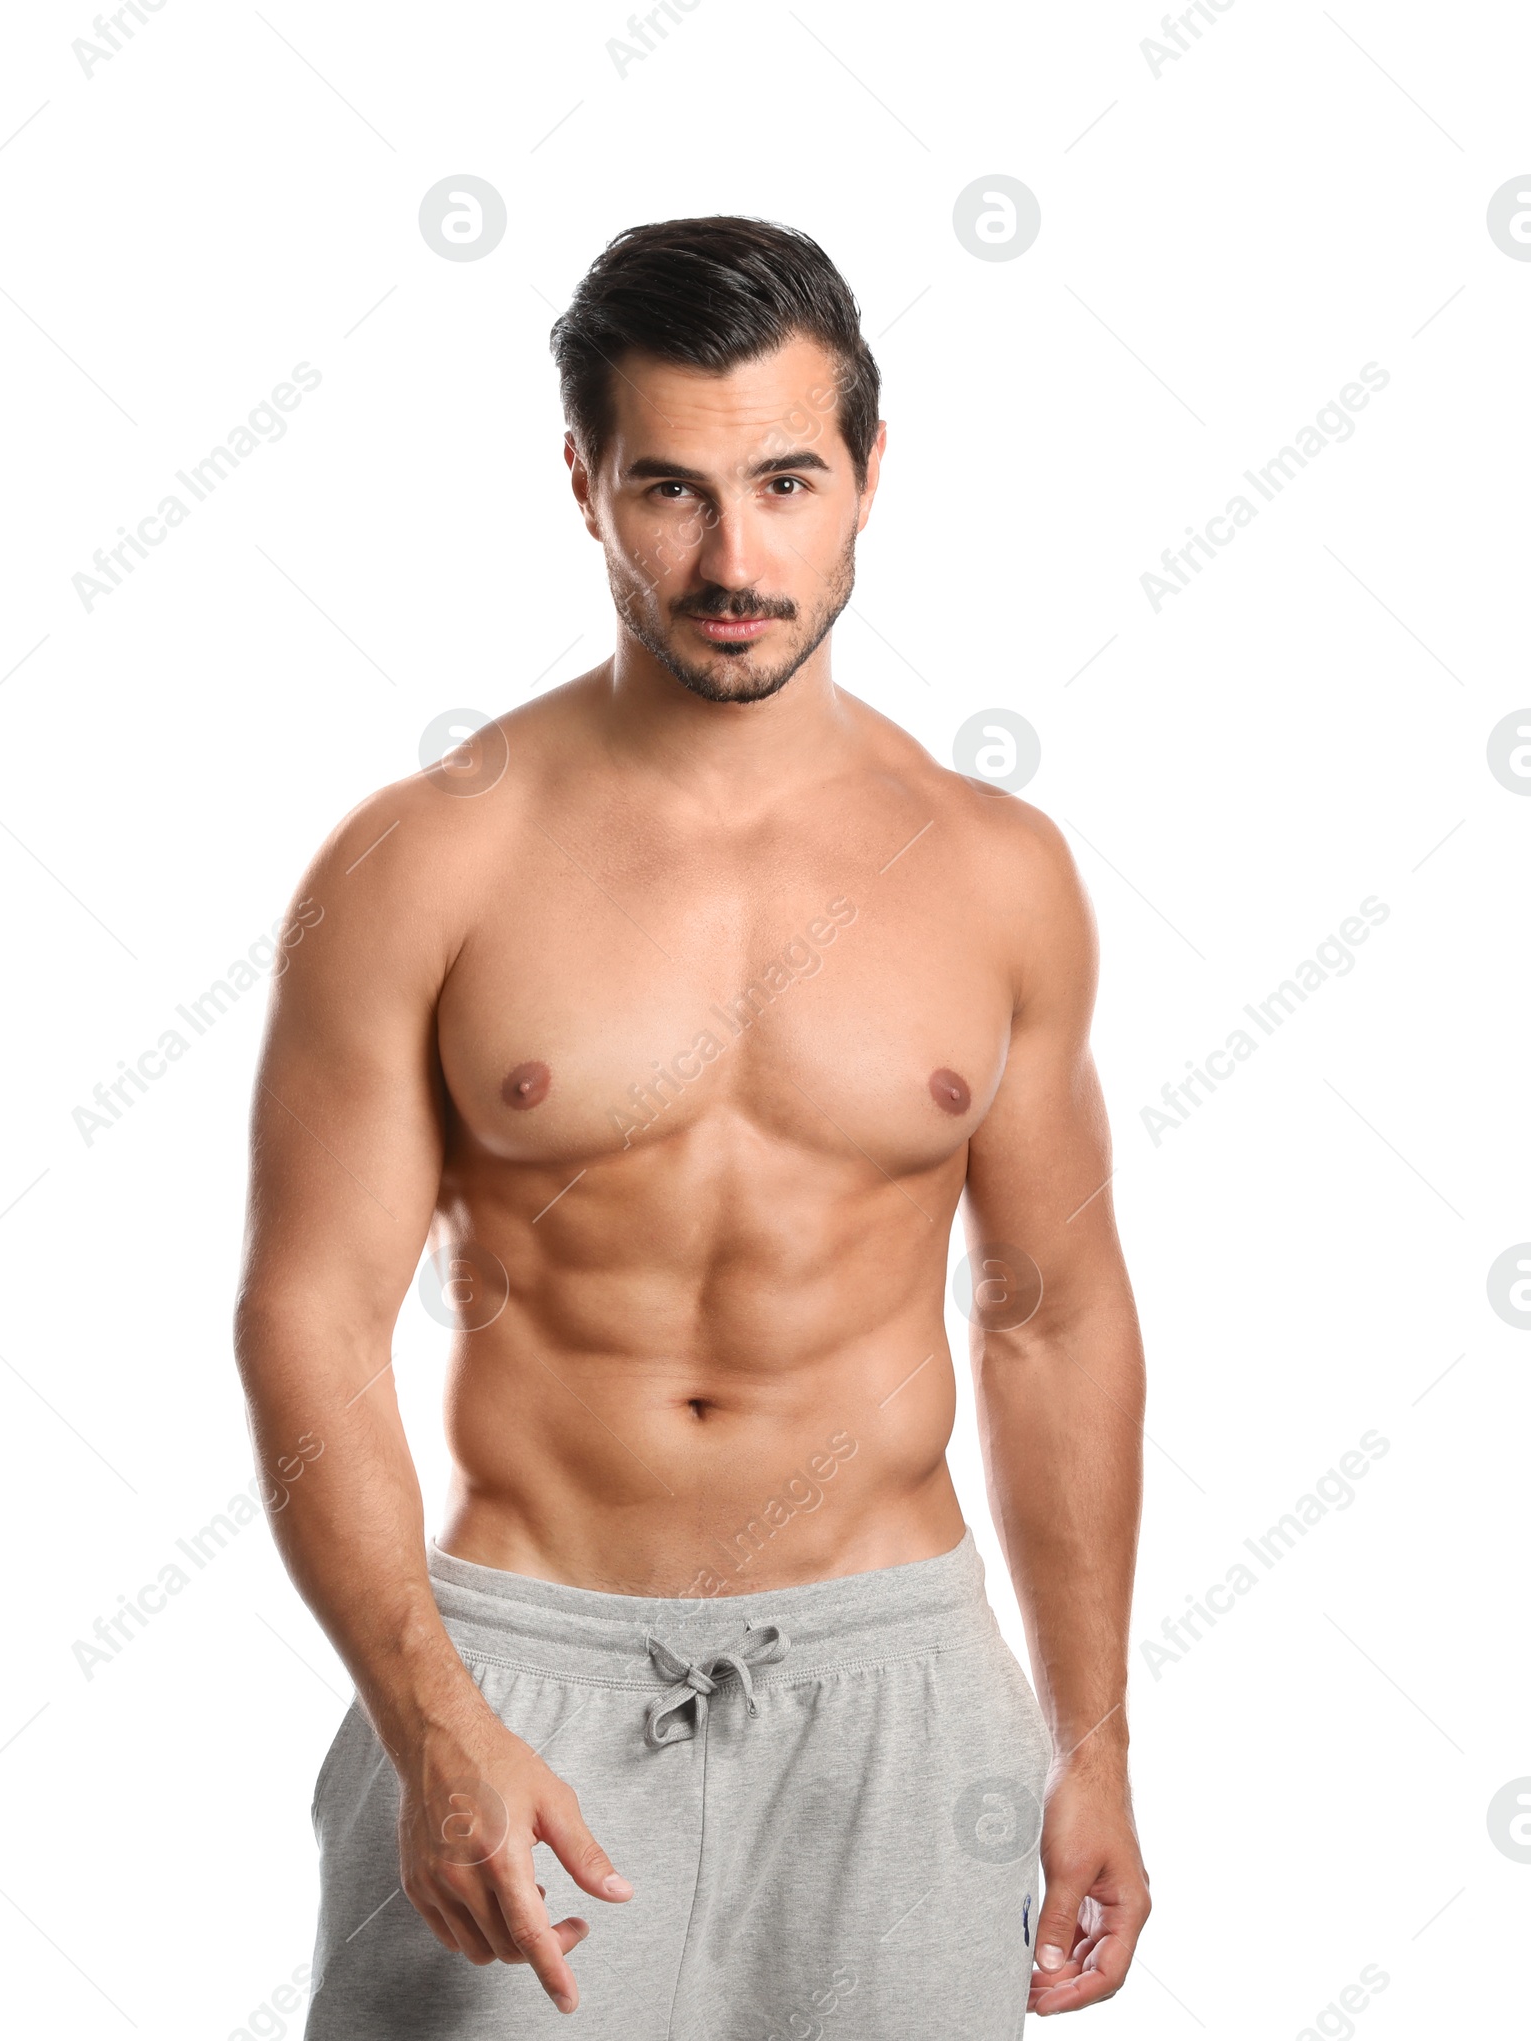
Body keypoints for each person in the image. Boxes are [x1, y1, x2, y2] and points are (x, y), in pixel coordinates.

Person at [233, 214, 1150, 2039]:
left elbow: (1052, 1315)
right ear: (582, 482)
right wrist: (430, 1718)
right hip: (519, 1669)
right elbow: (308, 1314)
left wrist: (1093, 1736)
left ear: (872, 477)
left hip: (896, 1687)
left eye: (787, 481)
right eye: (670, 488)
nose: (735, 558)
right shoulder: (426, 859)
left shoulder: (995, 873)